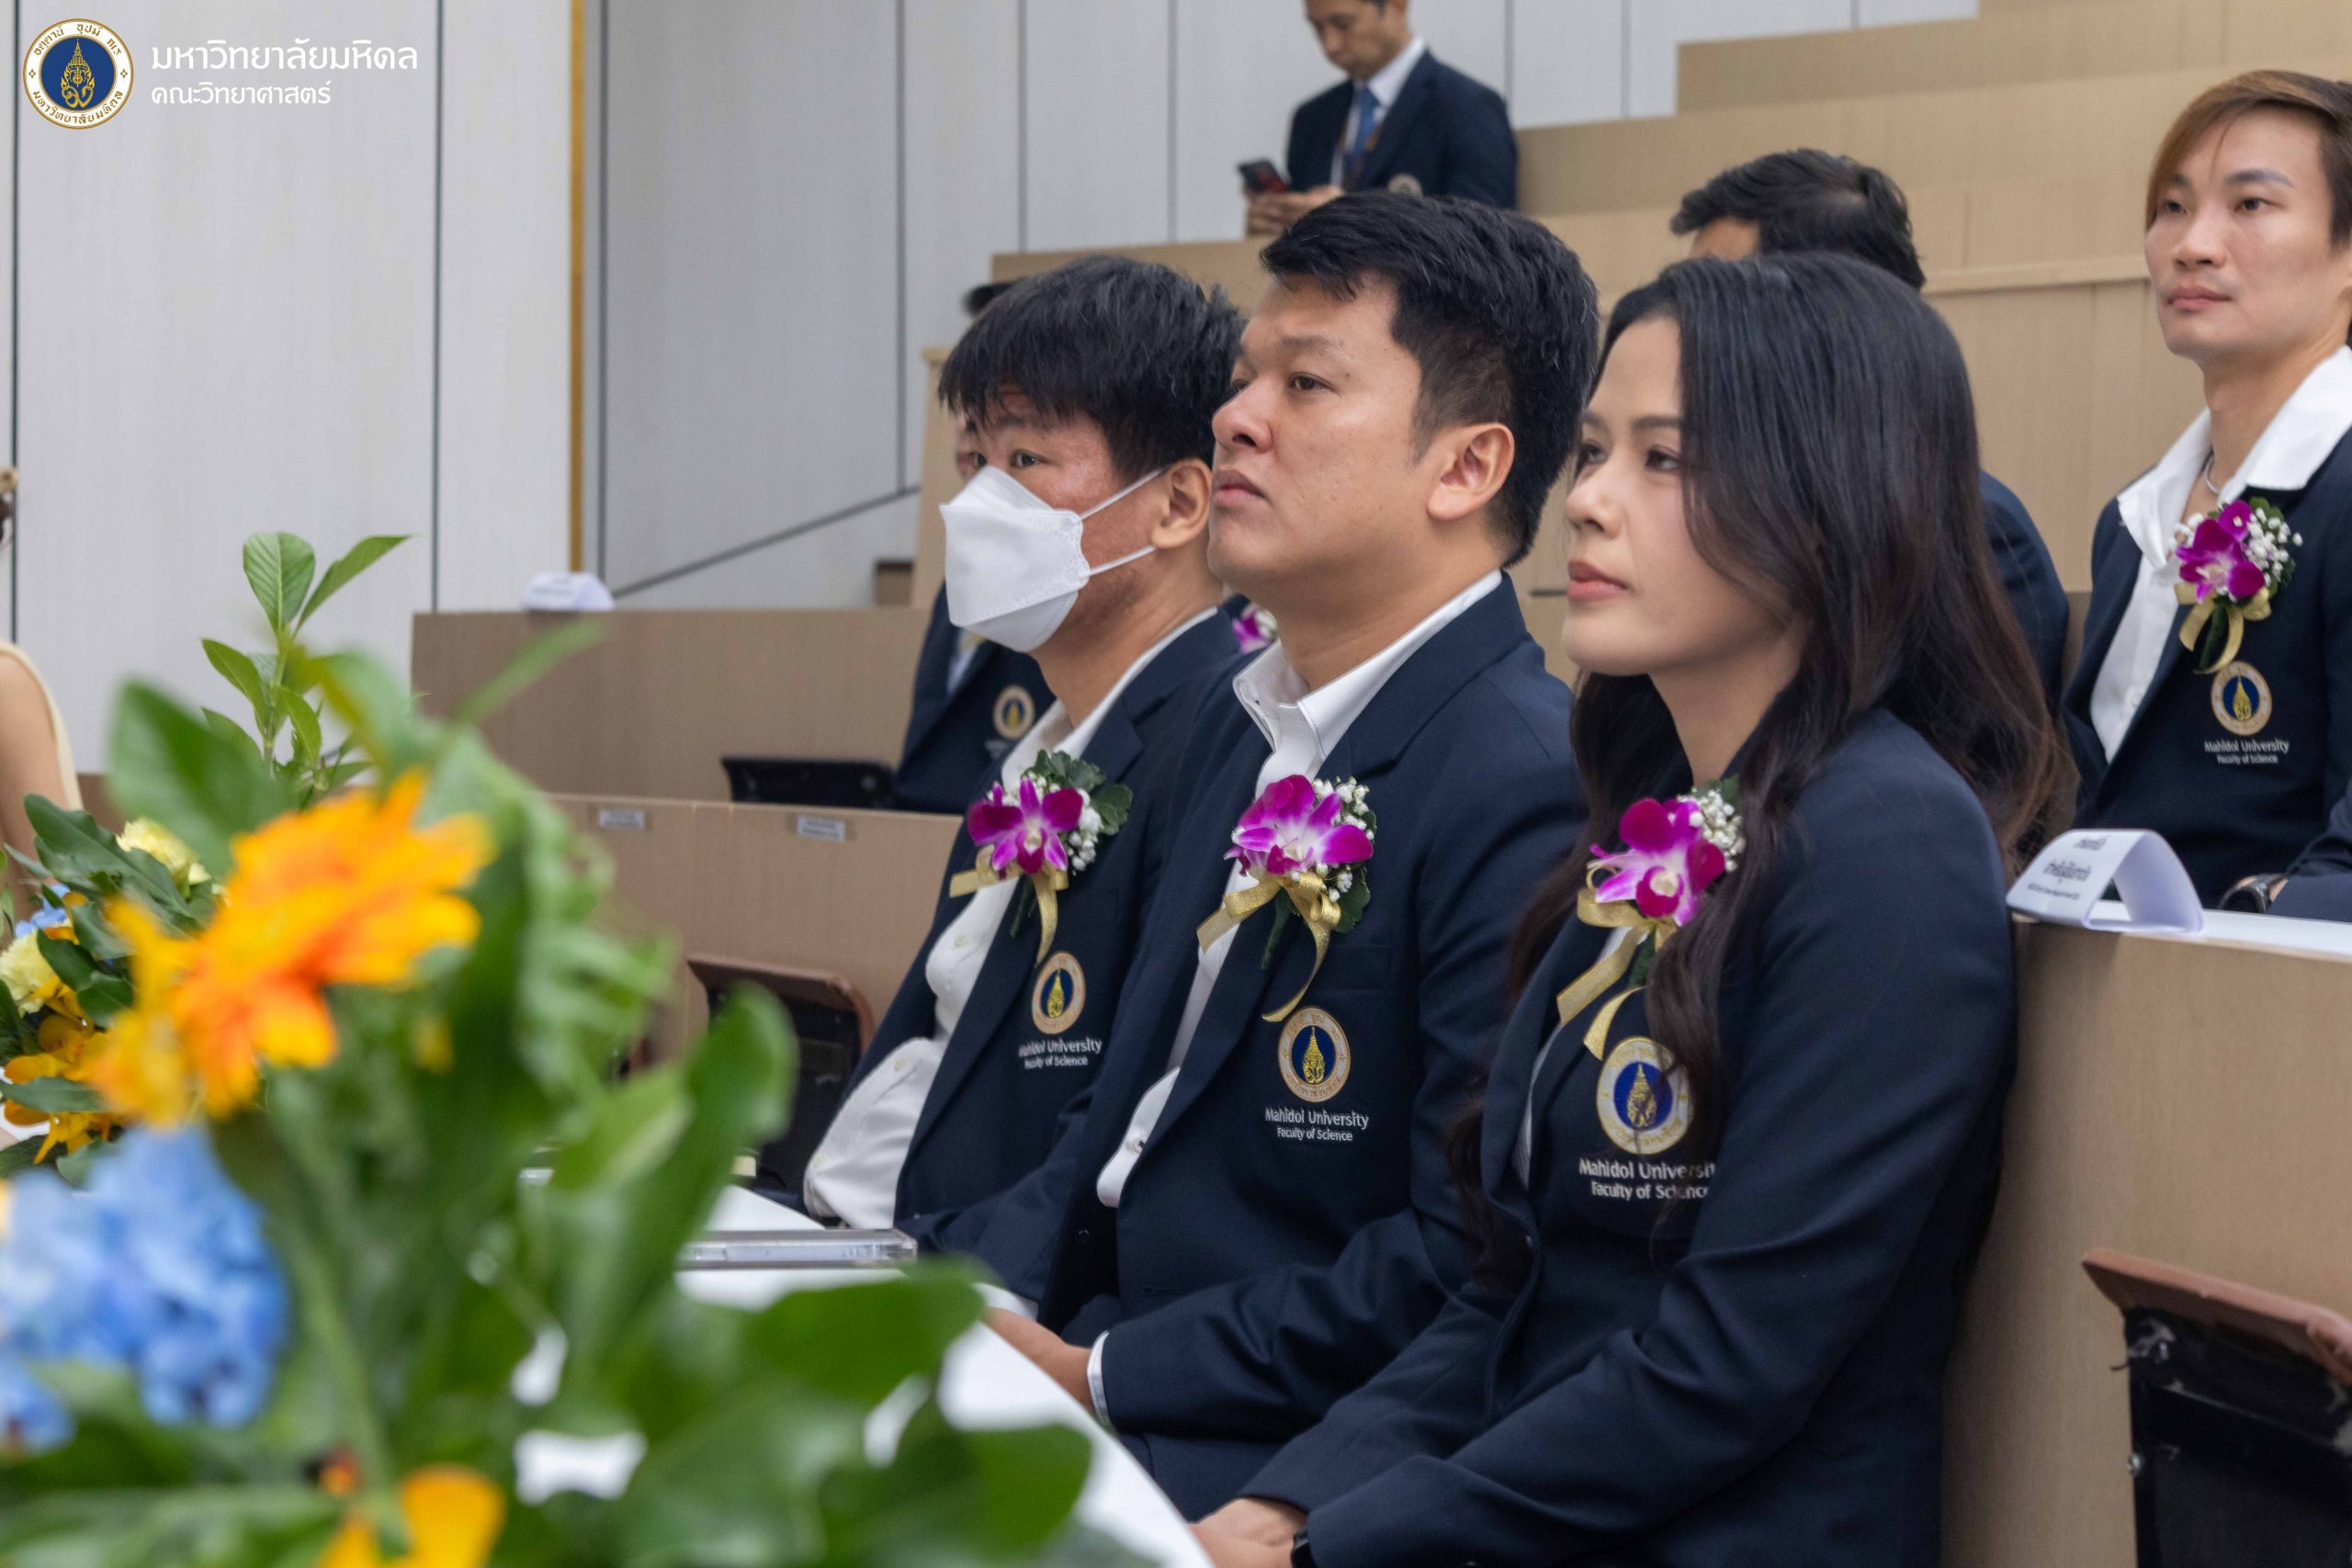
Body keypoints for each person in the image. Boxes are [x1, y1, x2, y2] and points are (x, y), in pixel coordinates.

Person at [1193, 253, 2064, 1568]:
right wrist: (1295, 1505)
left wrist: (1343, 1547)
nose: (1588, 501)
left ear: (1827, 496)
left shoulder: (1891, 843)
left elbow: (1727, 1365)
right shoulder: (1666, 812)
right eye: (1596, 450)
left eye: (1664, 460)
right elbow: (1512, 1288)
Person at [972, 191, 1595, 1516]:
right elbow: (1116, 1111)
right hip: (1089, 1357)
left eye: (1305, 384)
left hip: (1261, 1442)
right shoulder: (1236, 720)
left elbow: (1455, 1258)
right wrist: (963, 1297)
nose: (1236, 418)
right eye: (1245, 376)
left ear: (1466, 467)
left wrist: (1101, 1372)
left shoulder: (1521, 778)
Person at [797, 256, 1245, 1242]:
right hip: (859, 1232)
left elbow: (1120, 1140)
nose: (979, 507)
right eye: (976, 462)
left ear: (1179, 504)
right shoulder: (1044, 748)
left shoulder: (1220, 752)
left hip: (970, 1281)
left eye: (1027, 460)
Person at [2064, 72, 2352, 906]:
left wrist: (2257, 916)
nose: (2193, 245)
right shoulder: (2132, 519)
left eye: (2251, 204)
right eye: (2173, 207)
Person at [1673, 148, 2071, 712]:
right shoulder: (1719, 507)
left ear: (1837, 314)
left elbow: (1961, 756)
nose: (1685, 332)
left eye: (1719, 303)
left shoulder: (1973, 534)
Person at [1246, 0, 1515, 239]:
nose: (1330, 46)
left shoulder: (1468, 106)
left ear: (1397, 5)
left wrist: (1353, 219)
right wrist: (1275, 227)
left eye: (1343, 23)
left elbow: (1485, 238)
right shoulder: (1310, 118)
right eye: (1317, 28)